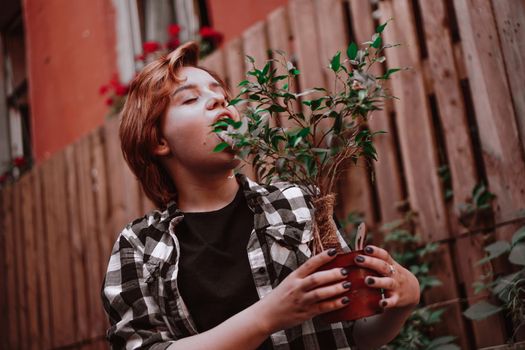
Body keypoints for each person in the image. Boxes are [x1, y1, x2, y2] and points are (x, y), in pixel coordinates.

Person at [101, 41, 421, 350]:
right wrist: (269, 315)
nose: (219, 102)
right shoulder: (140, 246)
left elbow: (354, 335)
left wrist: (402, 302)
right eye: (190, 99)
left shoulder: (298, 201)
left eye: (223, 97)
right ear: (158, 140)